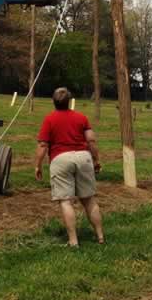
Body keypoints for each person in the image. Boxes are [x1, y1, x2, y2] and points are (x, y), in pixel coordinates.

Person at [34, 87, 104, 247]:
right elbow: (91, 141)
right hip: (83, 157)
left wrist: (38, 166)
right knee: (89, 200)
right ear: (69, 101)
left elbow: (43, 145)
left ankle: (73, 241)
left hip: (60, 159)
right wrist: (96, 160)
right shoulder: (81, 117)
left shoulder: (49, 119)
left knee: (66, 201)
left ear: (54, 102)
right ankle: (100, 236)